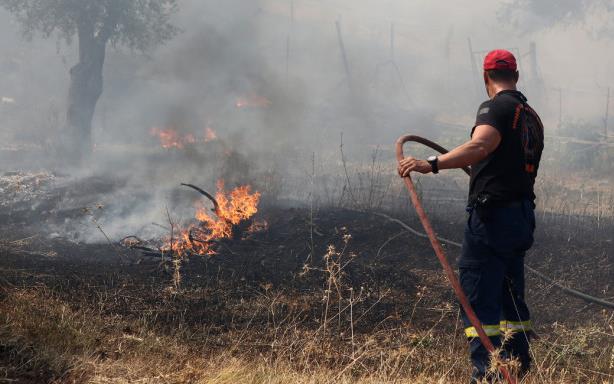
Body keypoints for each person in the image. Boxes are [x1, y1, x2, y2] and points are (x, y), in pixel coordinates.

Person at [397, 49, 544, 382]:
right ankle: (516, 369)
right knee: (510, 297)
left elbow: (481, 146)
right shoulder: (531, 115)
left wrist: (430, 164)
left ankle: (487, 375)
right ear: (517, 76)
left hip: (492, 218)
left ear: (485, 77)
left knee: (479, 299)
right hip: (520, 217)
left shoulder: (495, 107)